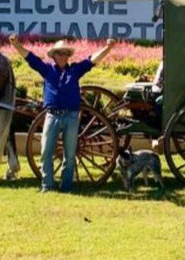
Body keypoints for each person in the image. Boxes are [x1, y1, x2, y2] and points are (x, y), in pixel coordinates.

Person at [9, 35, 117, 193]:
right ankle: (47, 185)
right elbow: (30, 58)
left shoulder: (75, 70)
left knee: (70, 154)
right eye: (60, 53)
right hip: (52, 115)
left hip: (71, 116)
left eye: (66, 53)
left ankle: (66, 187)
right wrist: (16, 45)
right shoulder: (47, 70)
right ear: (54, 55)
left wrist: (108, 48)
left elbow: (92, 60)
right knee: (46, 152)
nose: (63, 56)